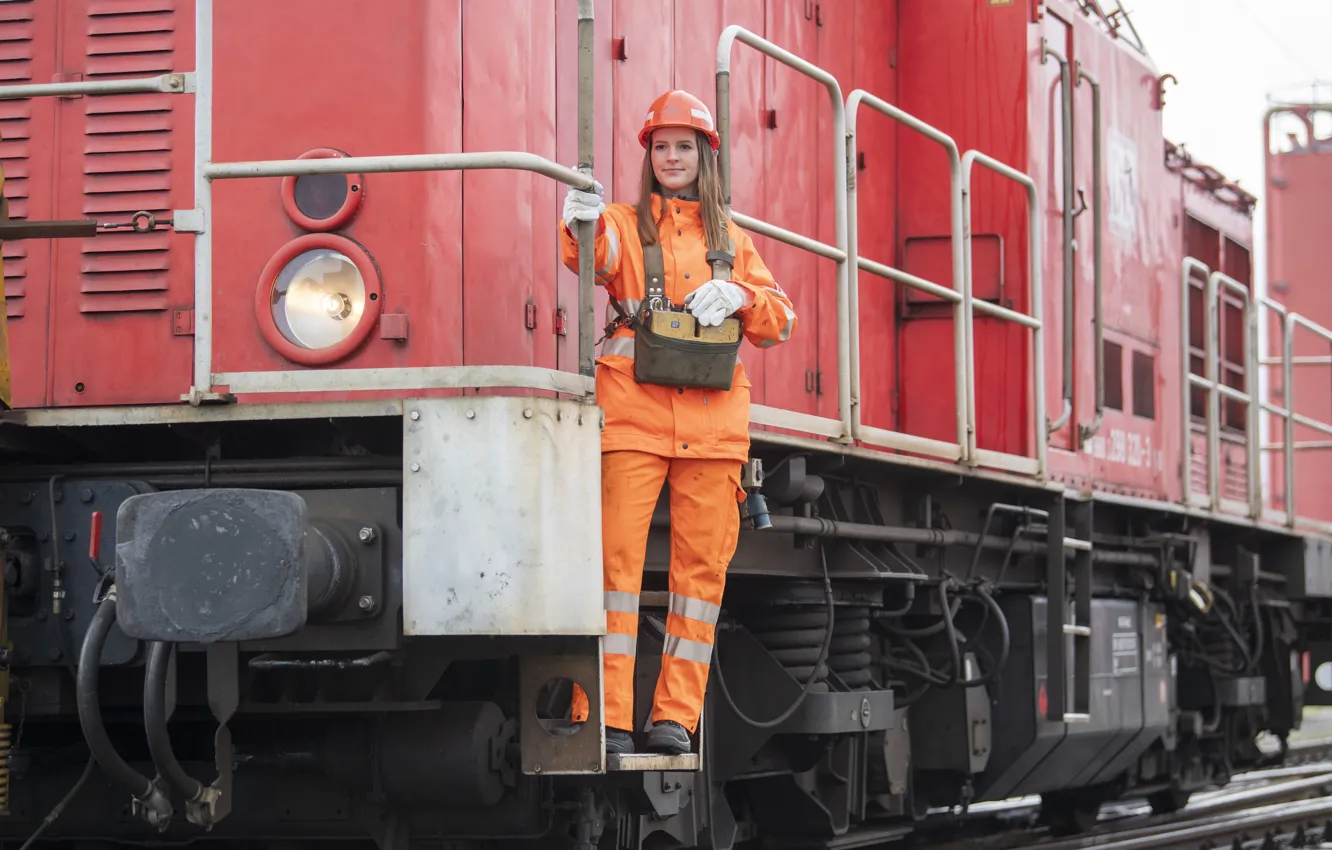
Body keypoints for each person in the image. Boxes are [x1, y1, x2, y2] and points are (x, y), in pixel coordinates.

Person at [557, 90, 798, 755]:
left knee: (699, 583)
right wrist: (578, 223)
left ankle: (675, 720)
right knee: (614, 572)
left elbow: (780, 321)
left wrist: (743, 294)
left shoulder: (733, 241)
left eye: (683, 147)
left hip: (713, 433)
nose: (671, 157)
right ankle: (603, 715)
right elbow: (594, 259)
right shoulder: (621, 223)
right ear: (648, 155)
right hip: (633, 420)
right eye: (661, 147)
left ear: (704, 156)